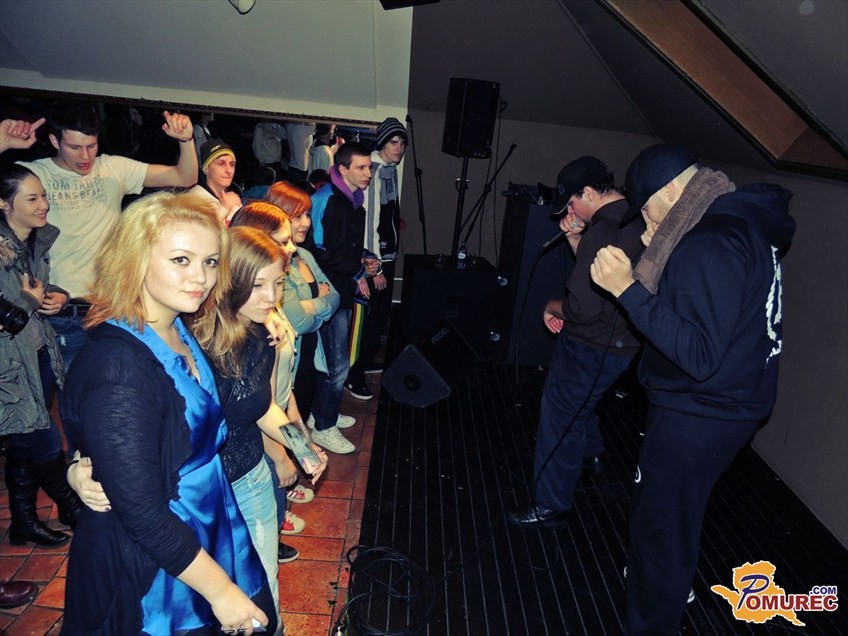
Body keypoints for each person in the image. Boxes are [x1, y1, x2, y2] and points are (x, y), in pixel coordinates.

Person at [589, 144, 795, 635]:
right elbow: (705, 317)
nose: (645, 221)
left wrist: (625, 288)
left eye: (646, 208)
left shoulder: (710, 242)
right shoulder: (740, 224)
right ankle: (666, 584)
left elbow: (699, 354)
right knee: (675, 519)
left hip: (699, 413)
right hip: (730, 406)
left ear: (670, 190)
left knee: (658, 529)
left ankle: (654, 613)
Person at [60, 191, 274, 635]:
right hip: (157, 556)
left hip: (208, 520)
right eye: (181, 260)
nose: (201, 277)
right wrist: (220, 591)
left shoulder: (177, 324)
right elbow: (143, 513)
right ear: (135, 259)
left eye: (210, 262)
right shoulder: (118, 368)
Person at [506, 157, 643, 529]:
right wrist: (573, 237)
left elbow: (583, 307)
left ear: (589, 192)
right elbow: (599, 277)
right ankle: (590, 454)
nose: (570, 211)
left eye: (571, 203)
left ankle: (550, 504)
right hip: (621, 343)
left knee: (559, 412)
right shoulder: (635, 217)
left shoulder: (603, 230)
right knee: (584, 399)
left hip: (591, 343)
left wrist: (552, 307)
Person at [14, 101, 198, 372]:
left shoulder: (113, 168)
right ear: (54, 141)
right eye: (74, 147)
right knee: (74, 390)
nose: (85, 156)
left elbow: (185, 177)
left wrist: (186, 140)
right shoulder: (36, 174)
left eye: (91, 146)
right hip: (62, 312)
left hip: (111, 307)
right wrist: (3, 143)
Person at [0, 164, 82, 548]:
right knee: (45, 440)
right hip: (9, 366)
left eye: (44, 195)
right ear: (4, 204)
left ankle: (23, 521)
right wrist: (30, 302)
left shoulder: (33, 241)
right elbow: (13, 310)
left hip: (38, 355)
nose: (44, 204)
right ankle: (72, 508)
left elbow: (35, 290)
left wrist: (58, 295)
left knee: (22, 444)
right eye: (32, 198)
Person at [304, 142, 374, 454]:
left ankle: (322, 413)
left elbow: (343, 247)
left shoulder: (352, 200)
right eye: (362, 167)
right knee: (336, 365)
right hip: (327, 291)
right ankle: (323, 427)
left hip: (340, 290)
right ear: (343, 169)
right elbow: (317, 251)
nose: (368, 173)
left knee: (334, 362)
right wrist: (357, 270)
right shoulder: (326, 199)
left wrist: (365, 260)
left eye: (369, 167)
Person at [345, 117, 407, 399]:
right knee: (366, 320)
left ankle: (366, 360)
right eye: (394, 141)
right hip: (373, 262)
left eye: (402, 142)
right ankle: (352, 376)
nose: (399, 147)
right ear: (382, 142)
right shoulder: (374, 171)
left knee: (378, 316)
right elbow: (369, 223)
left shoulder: (389, 170)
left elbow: (385, 215)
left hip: (385, 257)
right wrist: (376, 267)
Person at [192, 139, 243, 224]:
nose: (229, 170)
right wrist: (224, 208)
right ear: (206, 168)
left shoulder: (235, 196)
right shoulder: (194, 199)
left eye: (232, 164)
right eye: (221, 164)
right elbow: (196, 230)